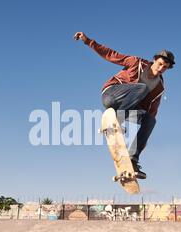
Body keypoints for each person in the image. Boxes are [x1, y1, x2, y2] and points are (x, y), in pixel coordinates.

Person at [74, 32, 175, 179]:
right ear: (154, 60)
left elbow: (152, 111)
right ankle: (117, 119)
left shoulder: (160, 87)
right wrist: (87, 41)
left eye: (164, 67)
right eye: (159, 64)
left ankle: (133, 160)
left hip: (128, 107)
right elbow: (111, 54)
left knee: (150, 119)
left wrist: (141, 142)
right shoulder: (136, 62)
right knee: (142, 88)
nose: (160, 69)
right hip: (112, 95)